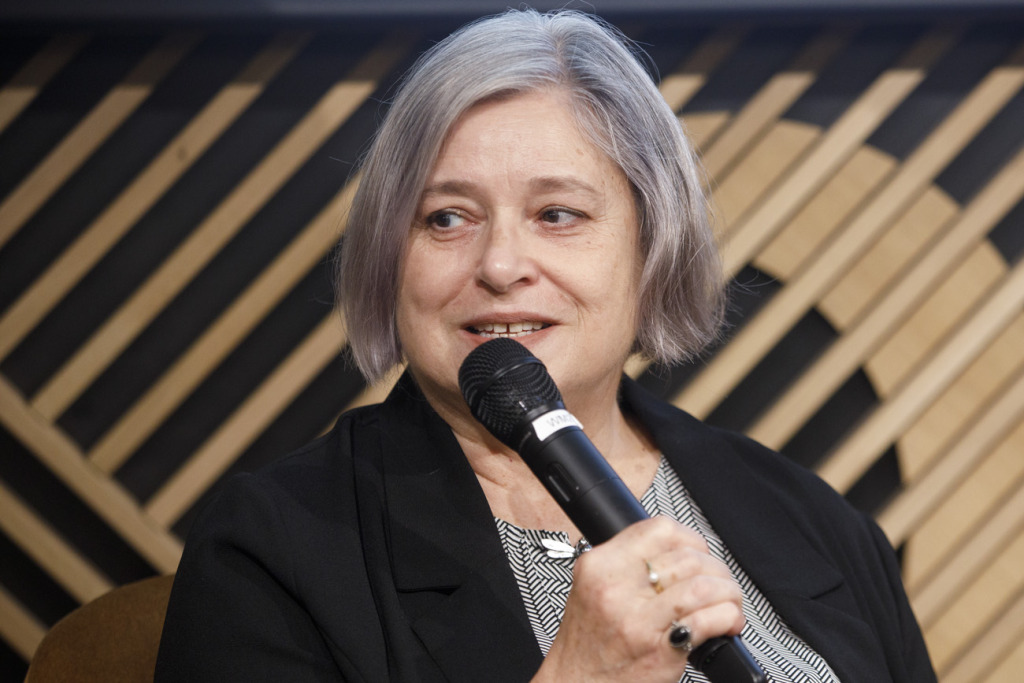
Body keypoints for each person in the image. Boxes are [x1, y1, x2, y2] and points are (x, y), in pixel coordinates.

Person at [155, 9, 936, 682]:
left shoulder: (811, 518)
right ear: (392, 255)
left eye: (558, 214)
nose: (500, 265)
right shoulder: (272, 547)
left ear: (650, 247)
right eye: (447, 218)